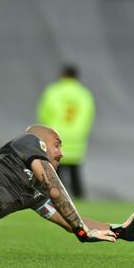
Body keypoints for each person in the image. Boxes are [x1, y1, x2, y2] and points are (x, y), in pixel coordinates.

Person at [0, 124, 134, 245]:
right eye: (57, 144)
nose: (61, 153)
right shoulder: (28, 141)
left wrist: (118, 230)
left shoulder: (36, 196)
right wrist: (82, 232)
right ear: (41, 142)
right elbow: (55, 189)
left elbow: (71, 220)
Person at [38, 65, 95, 198]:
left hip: (56, 138)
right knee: (75, 174)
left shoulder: (53, 91)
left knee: (55, 174)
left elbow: (44, 114)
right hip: (77, 139)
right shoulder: (84, 94)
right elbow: (88, 116)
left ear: (62, 75)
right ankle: (80, 201)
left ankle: (55, 199)